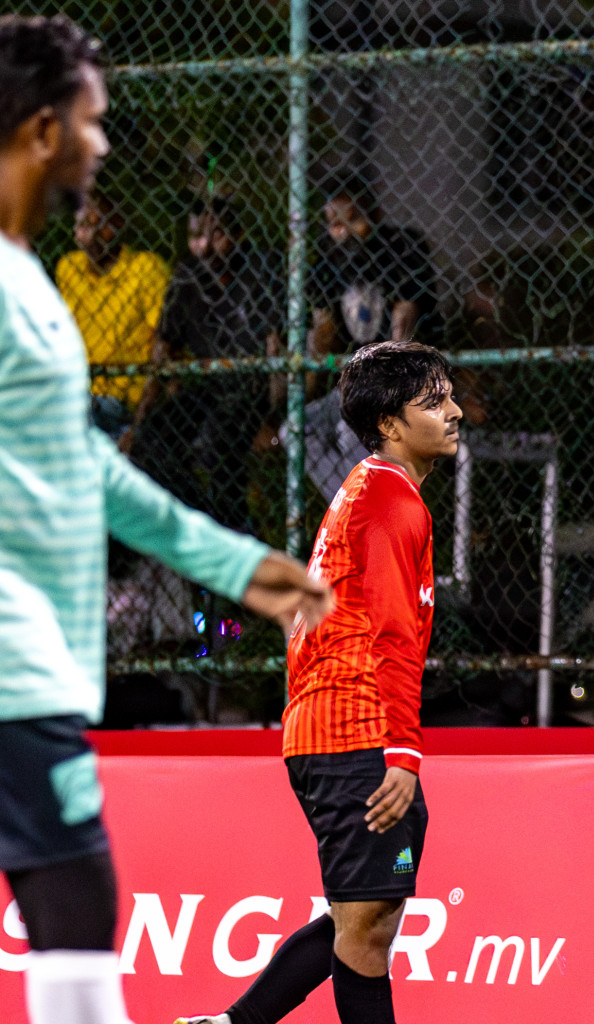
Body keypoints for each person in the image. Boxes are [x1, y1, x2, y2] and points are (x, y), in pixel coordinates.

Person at [0, 17, 333, 1024]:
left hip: (33, 654)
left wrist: (236, 566)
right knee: (73, 894)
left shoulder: (34, 288)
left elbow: (86, 465)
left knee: (72, 896)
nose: (104, 146)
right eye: (94, 123)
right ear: (45, 129)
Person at [175, 341, 460, 1024]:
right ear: (391, 423)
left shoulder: (366, 489)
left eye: (449, 396)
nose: (454, 412)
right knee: (366, 931)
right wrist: (403, 753)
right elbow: (393, 635)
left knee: (364, 919)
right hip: (356, 734)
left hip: (326, 730)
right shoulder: (392, 500)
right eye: (434, 401)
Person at [144, 197, 283, 530]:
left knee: (217, 444)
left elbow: (277, 353)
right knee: (152, 439)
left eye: (216, 234)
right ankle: (200, 524)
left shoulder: (258, 271)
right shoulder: (187, 274)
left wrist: (273, 419)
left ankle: (235, 541)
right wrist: (144, 413)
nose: (204, 246)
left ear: (238, 235)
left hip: (251, 391)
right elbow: (164, 347)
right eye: (196, 236)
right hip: (206, 387)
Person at [53, 191, 170, 440]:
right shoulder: (69, 268)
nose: (92, 234)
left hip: (123, 397)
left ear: (119, 225)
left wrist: (141, 420)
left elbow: (164, 344)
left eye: (101, 225)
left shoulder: (145, 268)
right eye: (83, 225)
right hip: (78, 390)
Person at [309, 182, 437, 356]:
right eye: (335, 224)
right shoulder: (326, 265)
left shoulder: (401, 248)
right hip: (351, 362)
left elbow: (406, 315)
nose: (345, 233)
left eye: (353, 220)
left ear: (374, 217)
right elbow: (323, 333)